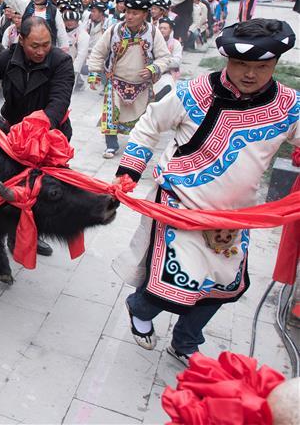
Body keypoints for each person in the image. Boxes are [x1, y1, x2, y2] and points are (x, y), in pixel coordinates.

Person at [113, 19, 299, 367]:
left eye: (261, 67)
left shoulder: (290, 106)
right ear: (227, 59)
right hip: (181, 204)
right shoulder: (193, 92)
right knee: (177, 282)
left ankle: (185, 342)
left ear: (275, 65)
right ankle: (140, 307)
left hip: (233, 217)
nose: (249, 74)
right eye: (242, 64)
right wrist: (130, 169)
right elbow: (150, 123)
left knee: (224, 287)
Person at [0, 16, 76, 257]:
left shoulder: (61, 61)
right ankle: (8, 231)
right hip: (13, 133)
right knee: (11, 184)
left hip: (49, 136)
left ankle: (33, 233)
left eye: (46, 44)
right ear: (21, 40)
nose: (41, 51)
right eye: (35, 45)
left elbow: (59, 101)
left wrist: (39, 124)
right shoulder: (9, 56)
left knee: (42, 188)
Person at [87, 0, 173, 158]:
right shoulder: (114, 30)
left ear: (144, 15)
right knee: (111, 113)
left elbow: (164, 57)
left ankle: (137, 143)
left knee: (142, 116)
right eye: (127, 12)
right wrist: (94, 73)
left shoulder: (153, 33)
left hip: (141, 83)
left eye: (134, 13)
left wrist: (152, 69)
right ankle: (111, 145)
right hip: (116, 80)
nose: (129, 16)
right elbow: (98, 52)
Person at [61, 3, 90, 91]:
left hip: (73, 63)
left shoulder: (83, 35)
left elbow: (81, 54)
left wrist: (74, 69)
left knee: (68, 89)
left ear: (77, 21)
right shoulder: (61, 32)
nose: (69, 22)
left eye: (72, 20)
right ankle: (79, 83)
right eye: (66, 20)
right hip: (61, 62)